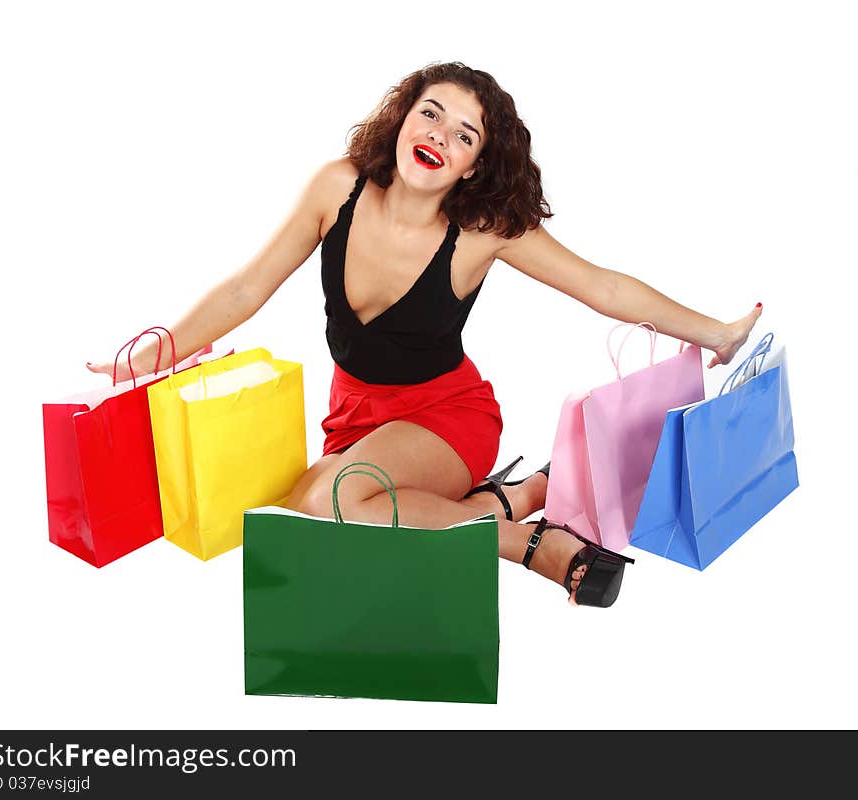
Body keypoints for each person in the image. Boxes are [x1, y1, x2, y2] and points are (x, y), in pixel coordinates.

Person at [87, 61, 762, 608]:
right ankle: (518, 495)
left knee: (336, 502)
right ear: (403, 117)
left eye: (466, 135)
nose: (441, 134)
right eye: (431, 113)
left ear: (472, 167)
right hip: (354, 415)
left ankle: (527, 545)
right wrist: (159, 350)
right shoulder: (337, 189)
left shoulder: (479, 233)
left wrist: (719, 334)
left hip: (446, 417)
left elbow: (604, 286)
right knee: (303, 512)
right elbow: (245, 286)